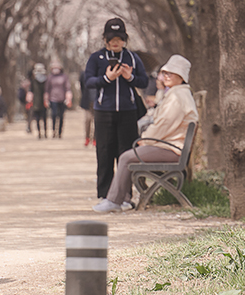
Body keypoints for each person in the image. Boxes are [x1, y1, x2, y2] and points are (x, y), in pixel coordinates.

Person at [93, 54, 198, 213]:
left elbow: (164, 125)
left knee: (127, 157)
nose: (166, 76)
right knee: (128, 155)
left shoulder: (178, 96)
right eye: (165, 73)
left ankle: (115, 201)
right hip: (171, 146)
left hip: (172, 149)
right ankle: (121, 200)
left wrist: (145, 140)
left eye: (171, 73)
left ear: (181, 76)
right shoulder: (178, 93)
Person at [83, 17, 148, 198]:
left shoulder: (133, 58)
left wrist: (130, 77)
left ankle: (125, 195)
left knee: (125, 154)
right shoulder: (97, 58)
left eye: (119, 38)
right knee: (104, 153)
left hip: (128, 112)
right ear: (105, 39)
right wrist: (106, 79)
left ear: (124, 39)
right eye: (112, 38)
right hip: (104, 112)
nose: (115, 42)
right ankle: (104, 195)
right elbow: (88, 81)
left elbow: (143, 81)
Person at [44, 61, 72, 138]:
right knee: (54, 114)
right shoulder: (50, 77)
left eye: (57, 67)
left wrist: (68, 98)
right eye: (54, 67)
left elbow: (68, 88)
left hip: (62, 99)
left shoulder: (64, 77)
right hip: (53, 99)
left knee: (61, 116)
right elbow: (46, 89)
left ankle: (60, 132)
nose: (55, 68)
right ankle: (53, 130)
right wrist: (46, 99)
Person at [29, 62, 49, 138]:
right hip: (37, 102)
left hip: (42, 102)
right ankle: (40, 133)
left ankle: (44, 132)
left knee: (43, 118)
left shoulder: (46, 81)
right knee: (38, 119)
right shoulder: (33, 81)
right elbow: (31, 91)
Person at [79, 69, 96, 147]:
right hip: (88, 101)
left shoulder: (100, 74)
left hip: (97, 101)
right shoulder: (84, 74)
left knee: (96, 121)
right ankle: (87, 137)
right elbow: (82, 87)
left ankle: (95, 138)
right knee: (88, 120)